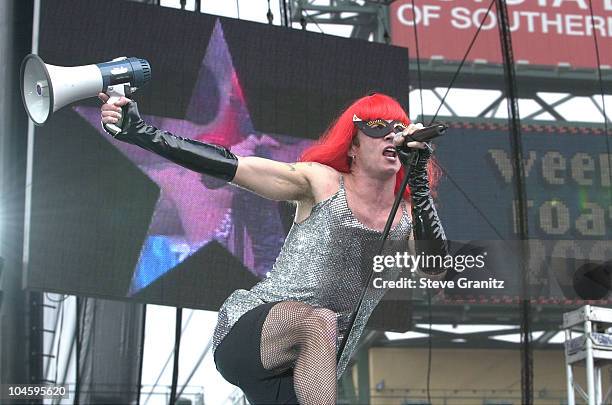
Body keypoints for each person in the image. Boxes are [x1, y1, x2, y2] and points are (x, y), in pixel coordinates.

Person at [99, 92, 447, 405]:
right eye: (376, 126)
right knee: (319, 321)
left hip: (312, 371)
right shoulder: (321, 182)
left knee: (320, 334)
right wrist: (139, 132)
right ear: (353, 146)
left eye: (399, 127)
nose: (391, 133)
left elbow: (434, 267)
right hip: (252, 337)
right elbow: (230, 165)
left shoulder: (407, 218)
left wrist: (418, 183)